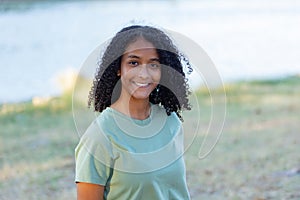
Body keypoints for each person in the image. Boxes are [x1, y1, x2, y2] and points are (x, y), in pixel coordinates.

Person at [75, 25, 193, 200]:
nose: (144, 74)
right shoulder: (100, 136)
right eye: (133, 63)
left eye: (153, 64)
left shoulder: (170, 121)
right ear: (117, 67)